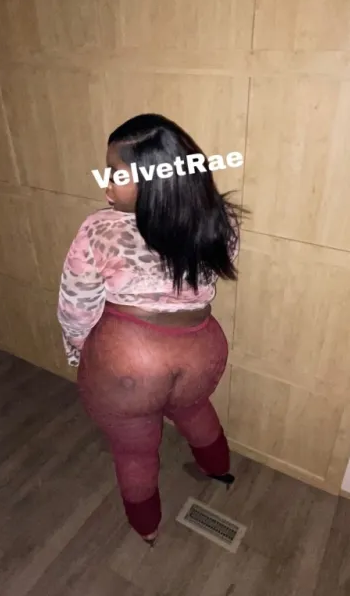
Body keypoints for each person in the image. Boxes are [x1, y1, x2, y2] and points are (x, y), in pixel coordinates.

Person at [57, 113, 243, 546]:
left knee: (135, 449)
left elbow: (76, 305)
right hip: (202, 350)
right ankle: (218, 469)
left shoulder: (99, 229)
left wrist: (81, 351)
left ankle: (147, 528)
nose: (105, 184)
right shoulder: (219, 220)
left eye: (114, 173)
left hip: (130, 364)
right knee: (194, 409)